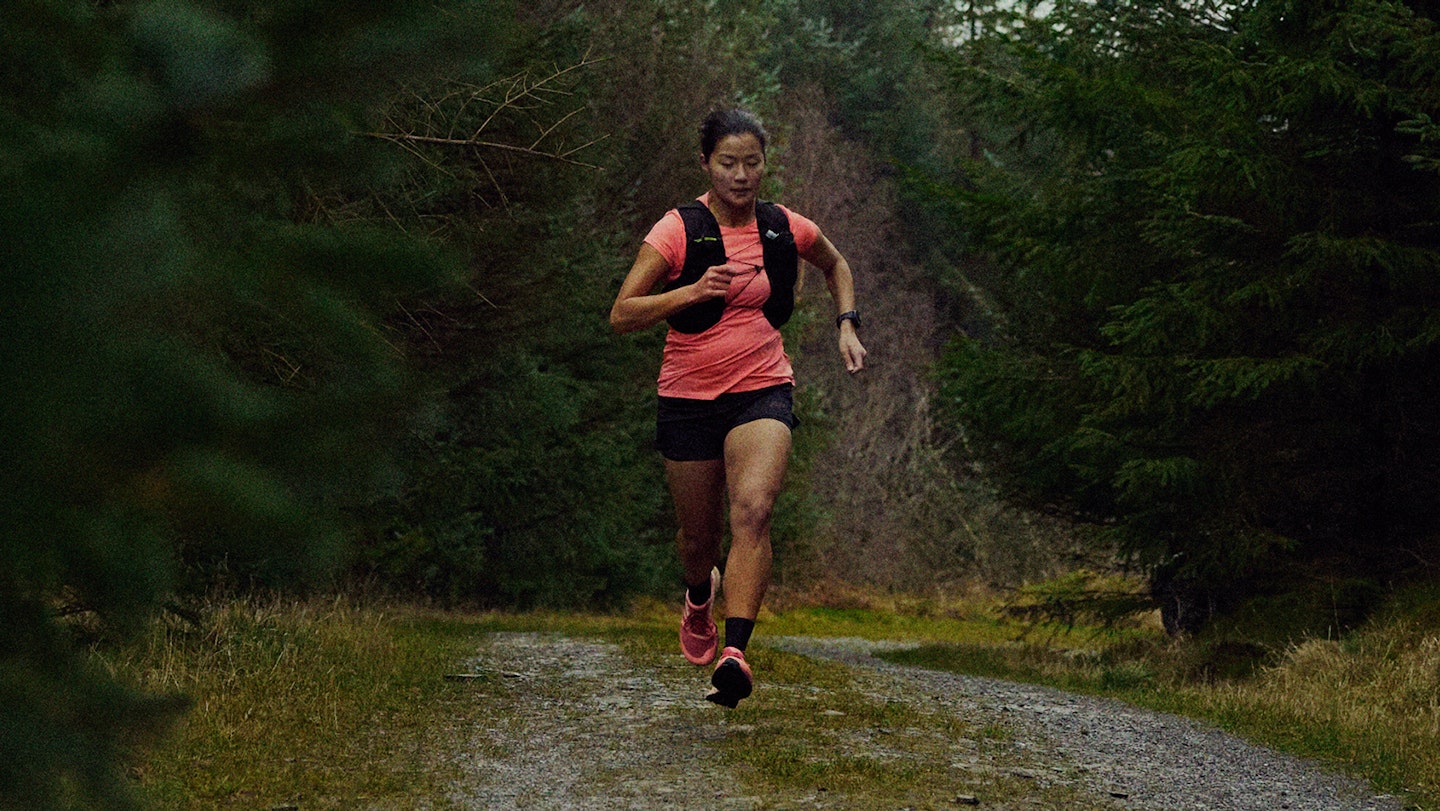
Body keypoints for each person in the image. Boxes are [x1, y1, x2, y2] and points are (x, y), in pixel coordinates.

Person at [610, 108, 866, 707]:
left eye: (753, 163)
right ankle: (700, 596)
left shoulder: (782, 226)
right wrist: (692, 291)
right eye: (729, 163)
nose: (742, 175)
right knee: (697, 539)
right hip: (687, 397)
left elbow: (835, 263)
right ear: (706, 164)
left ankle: (735, 653)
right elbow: (622, 313)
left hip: (762, 386)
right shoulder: (677, 230)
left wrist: (846, 323)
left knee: (753, 511)